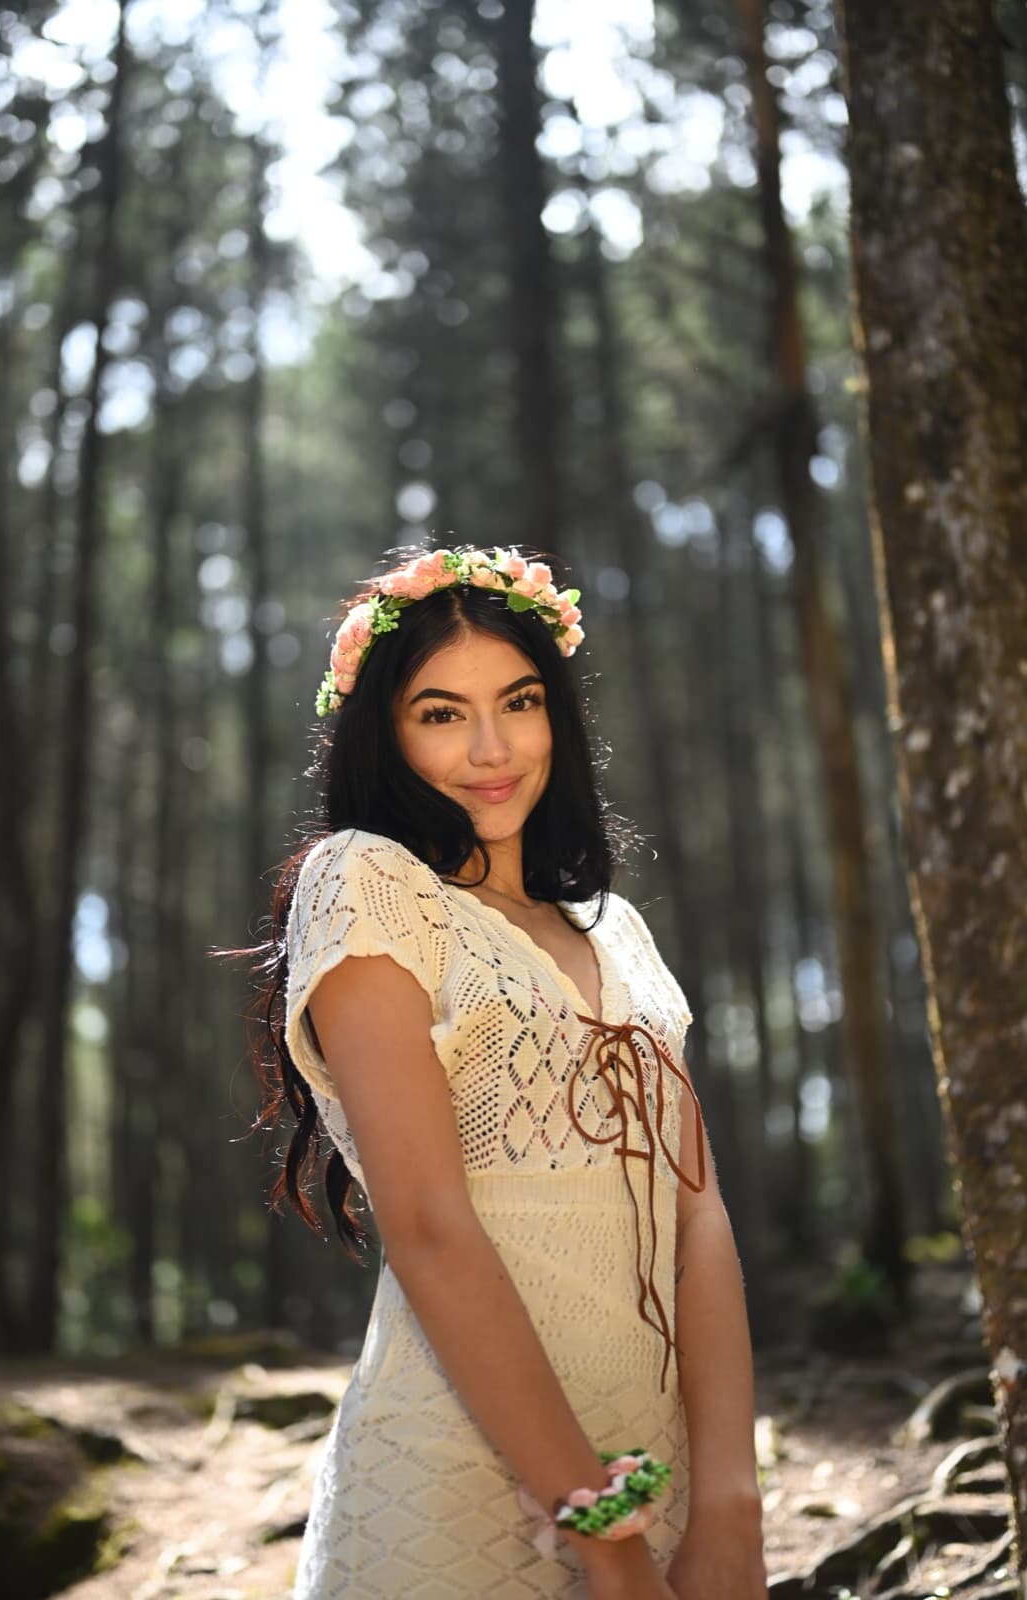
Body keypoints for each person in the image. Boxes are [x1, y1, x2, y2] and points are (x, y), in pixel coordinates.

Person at [256, 545, 766, 1598]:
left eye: (519, 702)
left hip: (660, 1471)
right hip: (453, 1492)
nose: (491, 749)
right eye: (441, 713)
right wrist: (607, 1541)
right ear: (385, 731)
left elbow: (697, 1215)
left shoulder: (615, 931)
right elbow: (429, 1226)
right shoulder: (369, 883)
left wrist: (729, 1506)